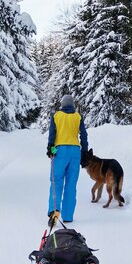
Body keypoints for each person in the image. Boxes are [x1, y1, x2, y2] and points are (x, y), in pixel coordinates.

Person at [47, 95, 88, 225]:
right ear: (73, 105)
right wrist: (84, 152)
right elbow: (84, 135)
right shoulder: (78, 117)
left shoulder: (56, 116)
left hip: (59, 151)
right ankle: (68, 216)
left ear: (62, 104)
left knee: (56, 181)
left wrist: (50, 149)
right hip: (75, 152)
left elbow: (52, 134)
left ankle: (54, 212)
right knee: (71, 184)